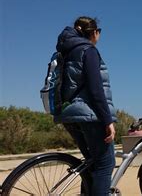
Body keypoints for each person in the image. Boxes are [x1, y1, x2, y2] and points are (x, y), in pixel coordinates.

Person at [54, 16, 117, 195]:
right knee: (106, 164)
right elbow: (96, 90)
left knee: (92, 164)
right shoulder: (88, 50)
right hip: (89, 115)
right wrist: (107, 120)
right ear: (94, 32)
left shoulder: (66, 51)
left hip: (69, 114)